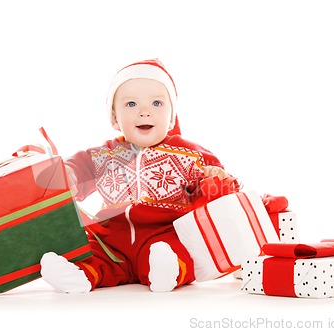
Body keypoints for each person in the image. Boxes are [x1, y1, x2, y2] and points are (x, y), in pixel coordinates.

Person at [40, 59, 234, 293]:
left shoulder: (189, 154)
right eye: (131, 104)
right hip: (113, 241)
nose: (144, 111)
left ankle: (167, 270)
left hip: (163, 233)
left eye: (157, 103)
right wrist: (69, 174)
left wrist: (215, 178)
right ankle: (78, 276)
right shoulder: (106, 154)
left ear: (172, 117)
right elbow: (80, 166)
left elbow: (219, 188)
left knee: (178, 249)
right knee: (94, 253)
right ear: (114, 118)